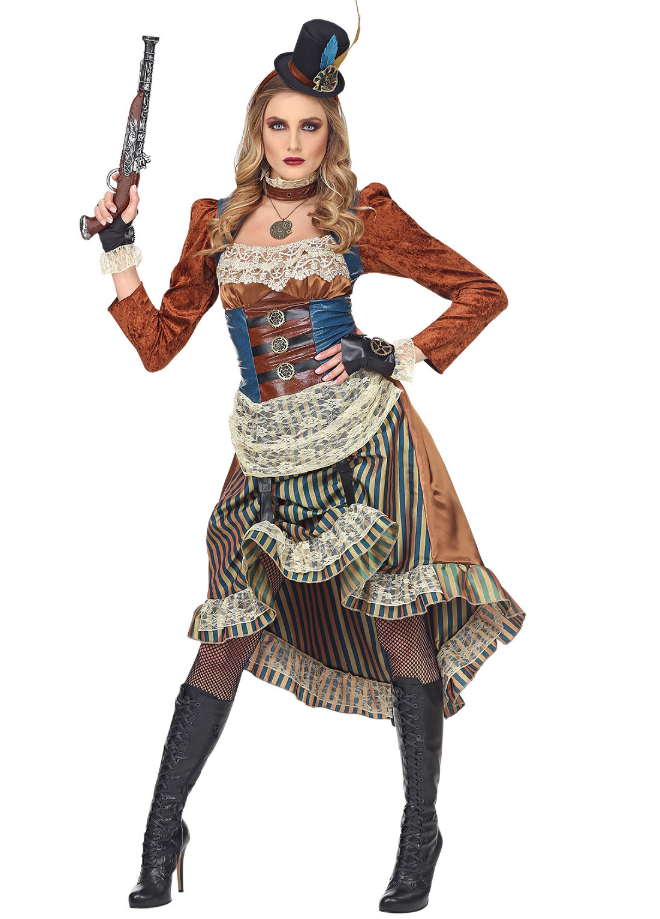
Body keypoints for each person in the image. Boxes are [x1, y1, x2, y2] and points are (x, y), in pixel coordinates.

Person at [92, 13, 526, 914]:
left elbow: (481, 293)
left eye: (310, 126)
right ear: (258, 130)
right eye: (279, 124)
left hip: (367, 447)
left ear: (331, 135)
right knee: (224, 637)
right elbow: (159, 345)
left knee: (402, 628)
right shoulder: (215, 224)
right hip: (266, 455)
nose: (293, 142)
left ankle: (419, 832)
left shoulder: (360, 215)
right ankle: (162, 833)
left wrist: (390, 353)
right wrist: (117, 251)